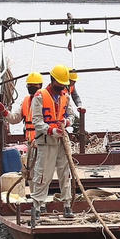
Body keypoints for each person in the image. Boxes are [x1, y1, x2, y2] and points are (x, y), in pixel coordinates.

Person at [28, 64, 75, 226]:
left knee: (65, 173)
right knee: (43, 174)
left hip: (62, 141)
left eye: (64, 84)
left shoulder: (65, 96)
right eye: (60, 83)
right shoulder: (40, 96)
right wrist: (50, 131)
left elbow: (72, 115)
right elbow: (37, 121)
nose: (62, 86)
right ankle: (38, 206)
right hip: (46, 141)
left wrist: (66, 122)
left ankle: (67, 205)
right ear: (53, 79)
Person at [0, 72, 43, 143]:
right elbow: (15, 119)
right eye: (29, 85)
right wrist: (4, 111)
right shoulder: (26, 101)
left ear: (40, 86)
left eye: (34, 85)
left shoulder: (45, 101)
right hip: (29, 142)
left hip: (43, 143)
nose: (31, 87)